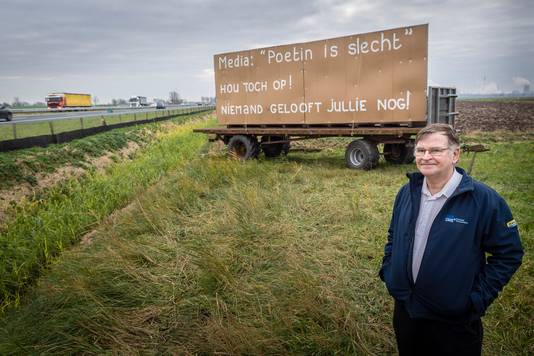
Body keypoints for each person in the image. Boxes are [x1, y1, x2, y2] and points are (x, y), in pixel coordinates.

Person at [379, 123, 523, 356]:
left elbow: (509, 254)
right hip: (406, 311)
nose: (426, 157)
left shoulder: (483, 199)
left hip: (453, 321)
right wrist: (389, 271)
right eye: (421, 150)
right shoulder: (407, 192)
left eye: (435, 150)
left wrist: (475, 299)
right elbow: (394, 235)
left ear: (455, 154)